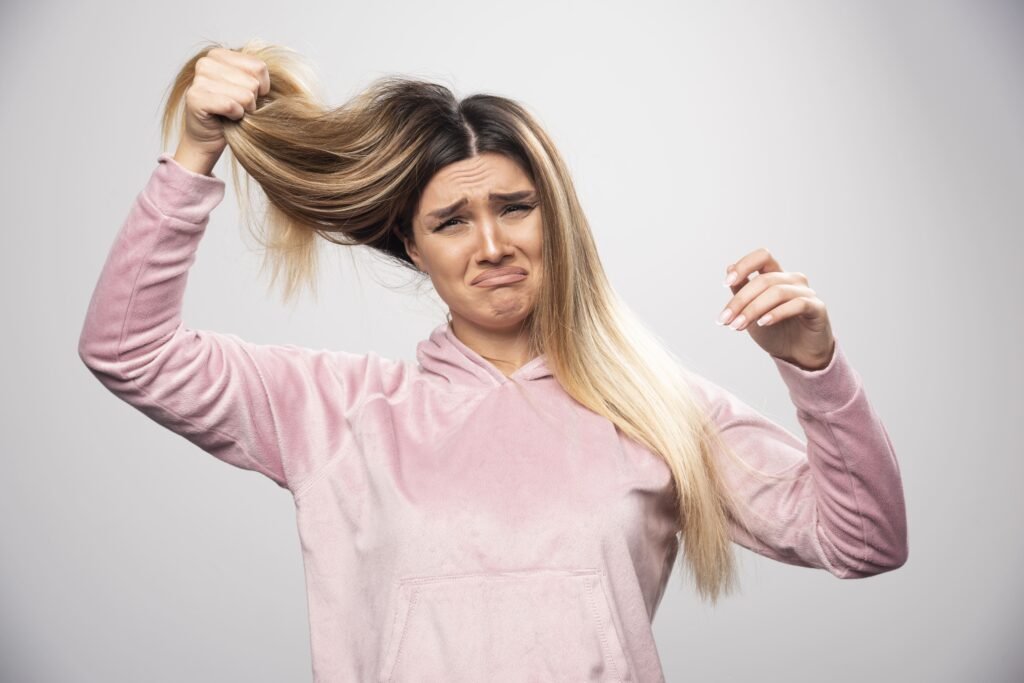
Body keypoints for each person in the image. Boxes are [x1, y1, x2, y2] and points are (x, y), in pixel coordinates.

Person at [77, 40, 908, 682]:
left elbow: (864, 540)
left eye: (515, 207)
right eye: (453, 221)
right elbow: (127, 348)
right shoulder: (335, 409)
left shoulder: (656, 407)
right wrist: (192, 154)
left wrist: (816, 366)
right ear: (413, 244)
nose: (493, 245)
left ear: (557, 218)